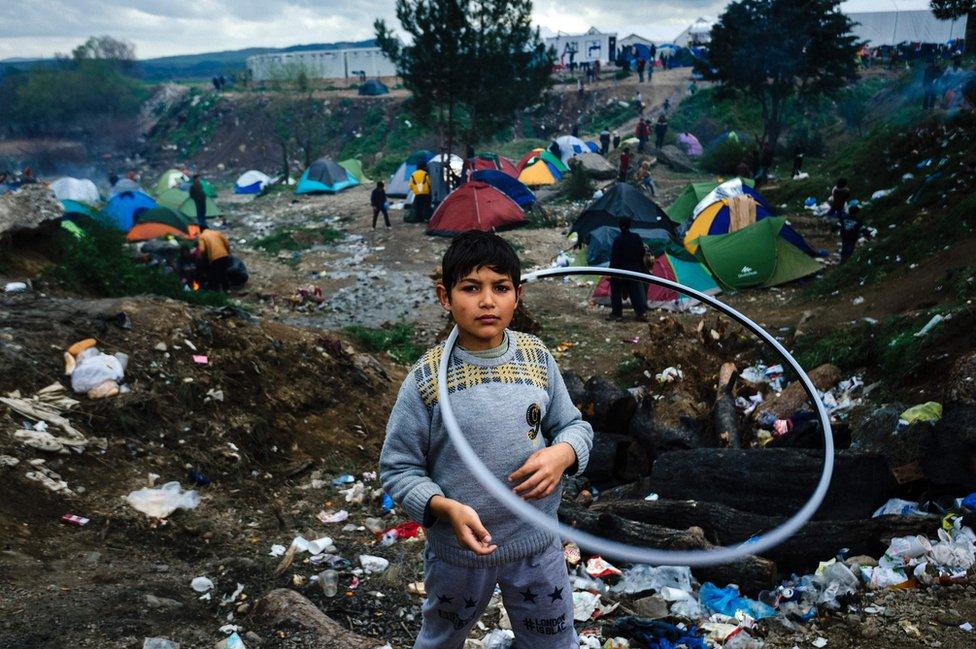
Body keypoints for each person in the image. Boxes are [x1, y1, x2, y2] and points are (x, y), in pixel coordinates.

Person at [380, 231, 593, 649]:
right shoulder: (427, 378)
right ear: (445, 296)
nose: (487, 301)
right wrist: (443, 507)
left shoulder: (536, 358)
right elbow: (398, 468)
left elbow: (574, 425)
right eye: (471, 288)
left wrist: (563, 453)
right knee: (441, 640)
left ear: (519, 294)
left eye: (500, 288)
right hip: (458, 556)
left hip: (537, 547)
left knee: (552, 642)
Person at [607, 217, 648, 322]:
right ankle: (640, 313)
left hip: (620, 271)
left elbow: (614, 257)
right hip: (633, 270)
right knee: (636, 292)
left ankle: (617, 313)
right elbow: (641, 252)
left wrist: (611, 271)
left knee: (616, 291)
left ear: (619, 226)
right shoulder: (636, 237)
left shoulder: (618, 240)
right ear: (630, 225)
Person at [196, 227, 232, 292]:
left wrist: (203, 258)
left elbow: (202, 250)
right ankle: (227, 289)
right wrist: (228, 252)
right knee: (224, 272)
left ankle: (217, 291)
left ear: (201, 231)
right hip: (224, 255)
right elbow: (227, 243)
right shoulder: (217, 233)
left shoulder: (202, 236)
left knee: (215, 275)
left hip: (214, 257)